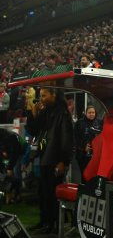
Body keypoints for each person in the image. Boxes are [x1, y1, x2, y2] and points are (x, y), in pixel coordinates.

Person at [25, 87, 73, 234]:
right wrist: (33, 113)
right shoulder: (46, 111)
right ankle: (45, 222)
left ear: (54, 95)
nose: (41, 99)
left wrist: (63, 161)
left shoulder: (63, 113)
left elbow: (66, 139)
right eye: (41, 96)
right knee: (43, 192)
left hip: (55, 159)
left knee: (53, 195)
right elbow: (33, 130)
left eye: (44, 95)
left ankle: (53, 224)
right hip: (45, 156)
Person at [74, 105, 103, 176]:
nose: (91, 114)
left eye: (93, 112)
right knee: (84, 174)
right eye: (89, 112)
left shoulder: (99, 123)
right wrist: (84, 146)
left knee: (94, 175)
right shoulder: (79, 123)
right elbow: (75, 137)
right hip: (82, 154)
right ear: (86, 113)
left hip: (96, 154)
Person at [0, 128, 27, 204]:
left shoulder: (11, 138)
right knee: (6, 175)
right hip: (12, 151)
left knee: (16, 172)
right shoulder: (4, 140)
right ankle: (8, 197)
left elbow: (15, 154)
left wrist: (9, 167)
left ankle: (18, 195)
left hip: (20, 151)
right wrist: (2, 168)